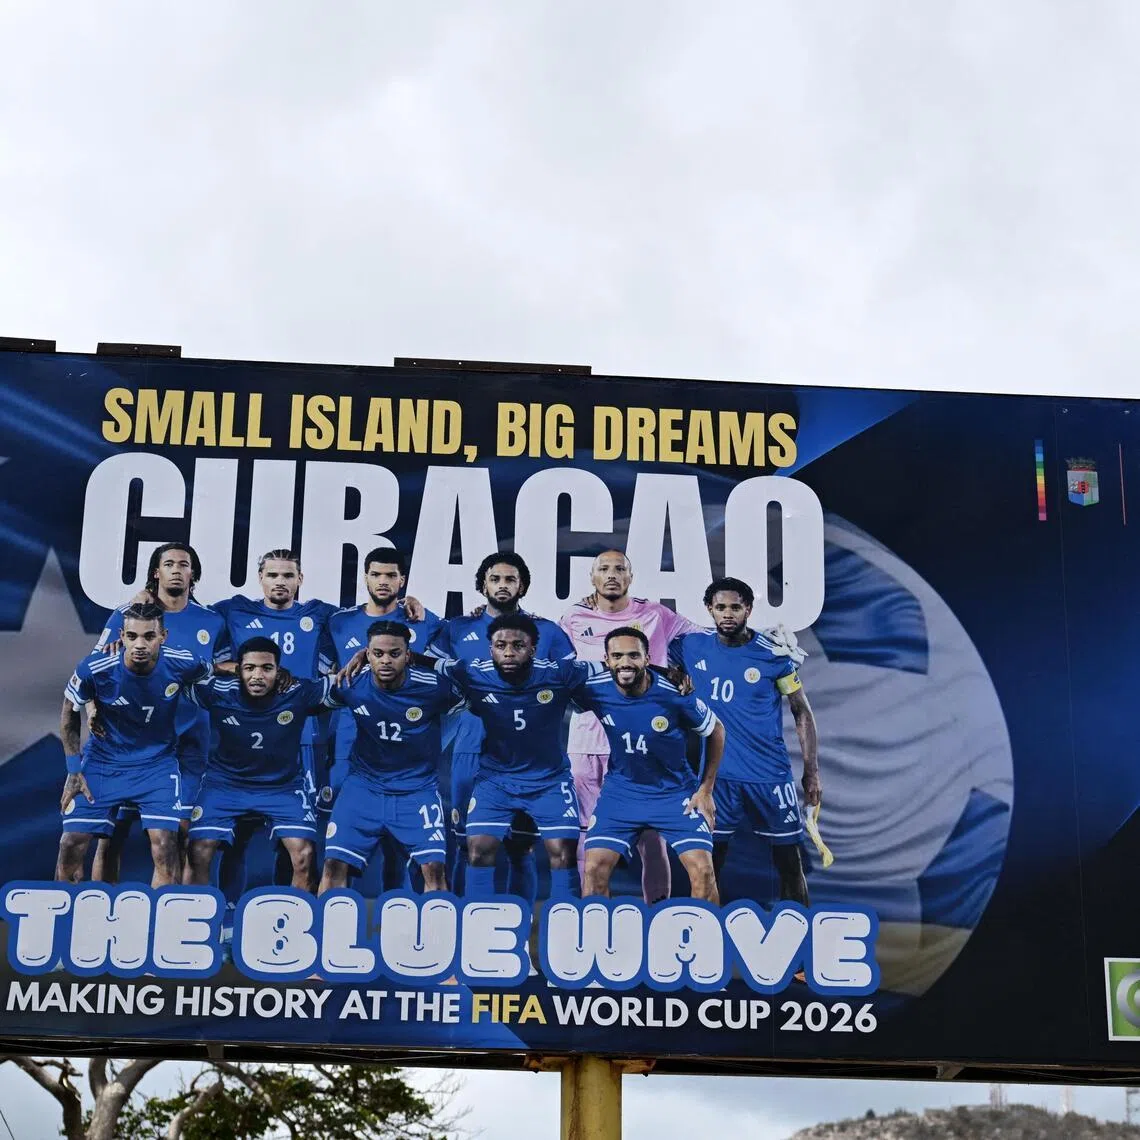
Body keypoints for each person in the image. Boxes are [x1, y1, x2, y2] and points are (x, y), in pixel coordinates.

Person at [427, 552, 574, 899]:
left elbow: (572, 682)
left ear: (522, 585)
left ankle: (520, 930)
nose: (503, 585)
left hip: (529, 758)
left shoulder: (547, 632)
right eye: (495, 579)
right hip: (470, 752)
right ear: (482, 585)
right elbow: (423, 670)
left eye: (510, 579)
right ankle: (467, 925)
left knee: (521, 849)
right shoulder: (456, 629)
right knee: (469, 846)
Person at [560, 550, 702, 903]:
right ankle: (591, 918)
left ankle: (659, 917)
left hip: (642, 744)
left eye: (619, 568)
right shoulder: (574, 617)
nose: (612, 575)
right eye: (603, 569)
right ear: (591, 577)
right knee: (586, 836)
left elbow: (705, 640)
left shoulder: (655, 614)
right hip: (587, 740)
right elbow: (546, 655)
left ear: (631, 576)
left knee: (651, 839)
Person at [670, 577, 819, 904]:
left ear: (749, 609)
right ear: (709, 609)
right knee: (708, 864)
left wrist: (812, 772)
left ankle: (800, 939)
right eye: (720, 607)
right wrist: (677, 677)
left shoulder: (775, 656)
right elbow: (658, 660)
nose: (727, 614)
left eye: (735, 607)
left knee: (790, 864)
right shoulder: (691, 646)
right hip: (716, 779)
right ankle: (703, 939)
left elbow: (802, 712)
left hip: (770, 777)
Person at [91, 542, 226, 881]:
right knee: (111, 836)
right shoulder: (130, 614)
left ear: (193, 572)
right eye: (169, 564)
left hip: (189, 740)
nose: (177, 569)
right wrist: (93, 712)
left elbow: (225, 668)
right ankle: (97, 917)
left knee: (178, 835)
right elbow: (96, 669)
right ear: (156, 571)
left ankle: (171, 918)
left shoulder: (211, 620)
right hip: (130, 742)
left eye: (185, 564)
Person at [56, 603, 210, 887]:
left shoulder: (184, 662)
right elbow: (69, 711)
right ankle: (69, 923)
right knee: (71, 844)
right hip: (104, 762)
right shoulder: (95, 668)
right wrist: (74, 769)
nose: (140, 644)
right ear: (121, 636)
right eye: (132, 636)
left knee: (166, 845)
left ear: (163, 636)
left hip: (157, 766)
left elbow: (212, 677)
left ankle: (159, 925)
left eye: (149, 637)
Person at [578, 627, 724, 902]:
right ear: (606, 660)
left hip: (676, 795)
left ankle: (709, 942)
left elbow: (716, 730)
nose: (625, 662)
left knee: (703, 872)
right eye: (617, 656)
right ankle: (596, 940)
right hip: (621, 794)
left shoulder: (675, 692)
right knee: (594, 870)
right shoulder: (594, 689)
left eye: (634, 655)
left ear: (647, 659)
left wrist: (706, 790)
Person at [182, 636, 337, 892]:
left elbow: (348, 686)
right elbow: (173, 674)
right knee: (198, 850)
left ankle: (299, 925)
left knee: (304, 855)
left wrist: (364, 658)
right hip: (225, 786)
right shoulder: (217, 692)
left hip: (282, 787)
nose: (257, 676)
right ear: (238, 670)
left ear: (279, 671)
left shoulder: (297, 693)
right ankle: (191, 924)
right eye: (249, 668)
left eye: (267, 668)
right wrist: (218, 667)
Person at [327, 548, 442, 890]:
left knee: (403, 849)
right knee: (338, 851)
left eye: (391, 575)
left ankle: (404, 923)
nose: (383, 581)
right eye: (376, 574)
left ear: (402, 580)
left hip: (409, 757)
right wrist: (360, 656)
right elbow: (330, 676)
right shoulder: (337, 621)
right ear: (364, 577)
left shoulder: (426, 621)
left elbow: (443, 674)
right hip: (352, 744)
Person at [319, 621, 461, 895]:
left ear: (408, 655)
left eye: (394, 654)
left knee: (434, 869)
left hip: (417, 790)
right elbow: (302, 699)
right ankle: (326, 934)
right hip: (363, 788)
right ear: (366, 654)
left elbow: (473, 694)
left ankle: (438, 936)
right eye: (378, 653)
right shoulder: (350, 683)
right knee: (333, 865)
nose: (385, 660)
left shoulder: (434, 687)